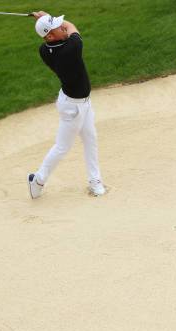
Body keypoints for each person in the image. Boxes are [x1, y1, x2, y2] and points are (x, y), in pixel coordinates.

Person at [27, 11, 105, 198]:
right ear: (51, 35)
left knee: (90, 139)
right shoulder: (72, 47)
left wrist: (46, 21)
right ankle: (37, 180)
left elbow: (60, 30)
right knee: (62, 147)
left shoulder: (44, 49)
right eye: (57, 27)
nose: (63, 26)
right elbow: (72, 28)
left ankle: (95, 180)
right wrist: (47, 16)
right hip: (73, 107)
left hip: (78, 103)